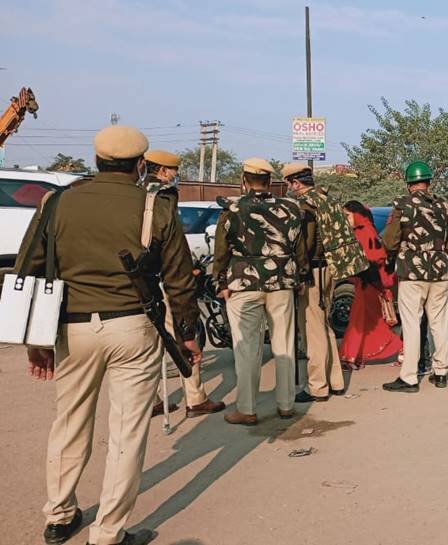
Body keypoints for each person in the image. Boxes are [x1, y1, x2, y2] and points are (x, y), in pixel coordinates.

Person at [16, 126, 201, 545]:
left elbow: (28, 270)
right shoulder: (156, 206)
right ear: (140, 165)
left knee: (70, 420)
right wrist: (187, 334)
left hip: (72, 326)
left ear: (96, 159)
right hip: (134, 326)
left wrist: (36, 340)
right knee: (127, 430)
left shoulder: (57, 202)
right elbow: (178, 280)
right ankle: (108, 532)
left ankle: (60, 515)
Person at [213, 158, 306, 425]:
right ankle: (287, 404)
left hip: (244, 282)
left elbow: (222, 250)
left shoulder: (232, 208)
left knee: (247, 348)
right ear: (269, 181)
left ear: (244, 180)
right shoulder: (290, 207)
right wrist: (298, 274)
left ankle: (247, 408)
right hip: (281, 281)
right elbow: (298, 247)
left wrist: (220, 282)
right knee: (284, 344)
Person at [142, 149, 225, 418]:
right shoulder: (163, 197)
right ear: (164, 171)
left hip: (138, 282)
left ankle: (149, 398)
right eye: (174, 172)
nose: (175, 177)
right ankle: (195, 398)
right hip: (166, 280)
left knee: (146, 344)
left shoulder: (133, 191)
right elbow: (172, 245)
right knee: (184, 336)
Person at [280, 162, 368, 403]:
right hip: (329, 269)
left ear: (295, 182)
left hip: (313, 271)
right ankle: (336, 380)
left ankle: (317, 386)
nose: (290, 188)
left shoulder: (306, 205)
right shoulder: (327, 200)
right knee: (324, 325)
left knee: (312, 328)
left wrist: (300, 274)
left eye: (289, 184)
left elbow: (305, 245)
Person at [381, 160, 448, 392]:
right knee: (439, 322)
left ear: (408, 184)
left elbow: (390, 241)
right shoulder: (445, 205)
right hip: (441, 270)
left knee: (412, 323)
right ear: (428, 181)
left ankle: (410, 377)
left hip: (412, 272)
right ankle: (441, 372)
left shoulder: (402, 205)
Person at [339, 200, 403, 368]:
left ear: (357, 215)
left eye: (347, 215)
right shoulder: (364, 230)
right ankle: (353, 356)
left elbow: (375, 258)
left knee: (361, 322)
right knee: (366, 321)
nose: (346, 219)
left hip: (370, 282)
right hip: (368, 282)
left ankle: (351, 356)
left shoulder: (364, 232)